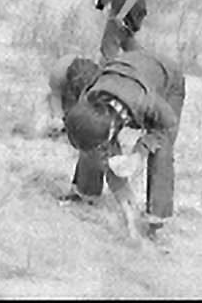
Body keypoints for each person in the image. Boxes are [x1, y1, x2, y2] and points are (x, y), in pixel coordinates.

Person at [63, 49, 185, 242]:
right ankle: (84, 193)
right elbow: (106, 154)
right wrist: (126, 206)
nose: (102, 151)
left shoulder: (146, 102)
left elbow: (168, 124)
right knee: (91, 142)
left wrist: (139, 152)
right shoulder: (89, 99)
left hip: (167, 79)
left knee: (162, 150)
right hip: (125, 71)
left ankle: (156, 222)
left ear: (112, 128)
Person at [25, 54, 102, 139]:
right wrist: (62, 119)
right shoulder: (59, 75)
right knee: (54, 120)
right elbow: (57, 98)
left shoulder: (99, 81)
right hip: (63, 80)